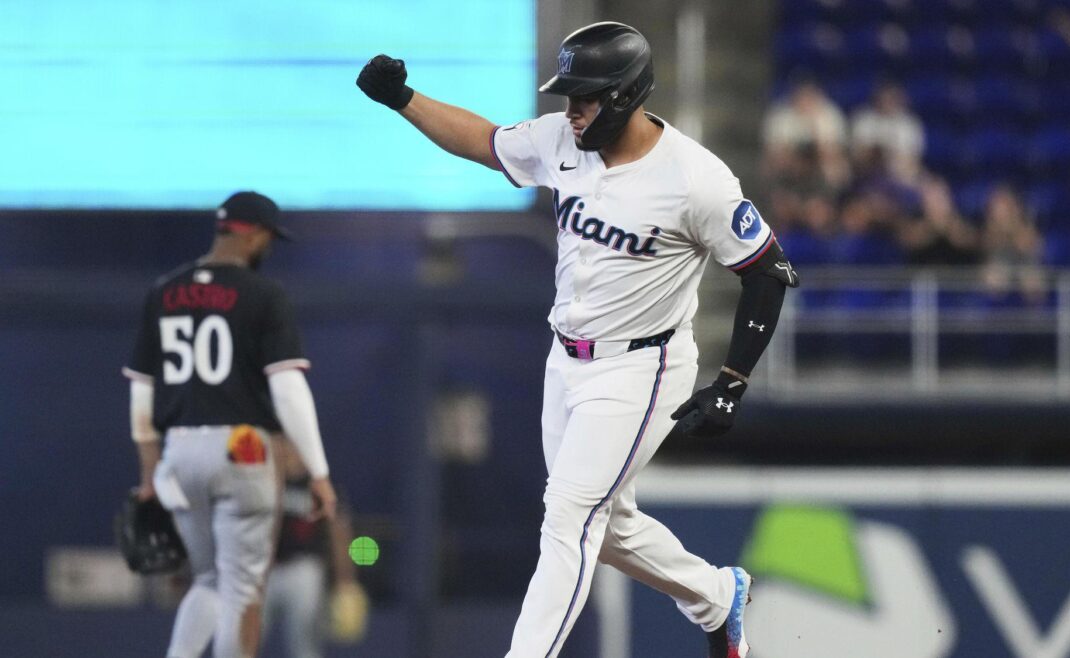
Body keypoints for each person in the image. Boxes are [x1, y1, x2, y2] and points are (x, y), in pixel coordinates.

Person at [356, 21, 799, 658]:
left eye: (583, 97)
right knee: (609, 528)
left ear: (624, 95)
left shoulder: (695, 178)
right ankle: (714, 595)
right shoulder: (564, 139)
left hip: (642, 366)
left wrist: (732, 382)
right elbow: (485, 142)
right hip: (566, 359)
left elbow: (767, 271)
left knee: (567, 517)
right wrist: (405, 99)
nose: (571, 110)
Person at [123, 191, 337, 658]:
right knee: (242, 589)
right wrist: (318, 471)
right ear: (256, 234)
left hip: (178, 452)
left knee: (208, 580)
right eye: (269, 239)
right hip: (242, 447)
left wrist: (148, 471)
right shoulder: (263, 294)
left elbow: (142, 391)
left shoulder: (164, 291)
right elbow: (287, 388)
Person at [263, 437, 367, 658]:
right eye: (285, 447)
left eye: (295, 447)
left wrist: (345, 580)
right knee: (243, 640)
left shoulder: (319, 485)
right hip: (265, 571)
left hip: (304, 569)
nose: (290, 453)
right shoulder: (265, 481)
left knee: (305, 645)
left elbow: (339, 533)